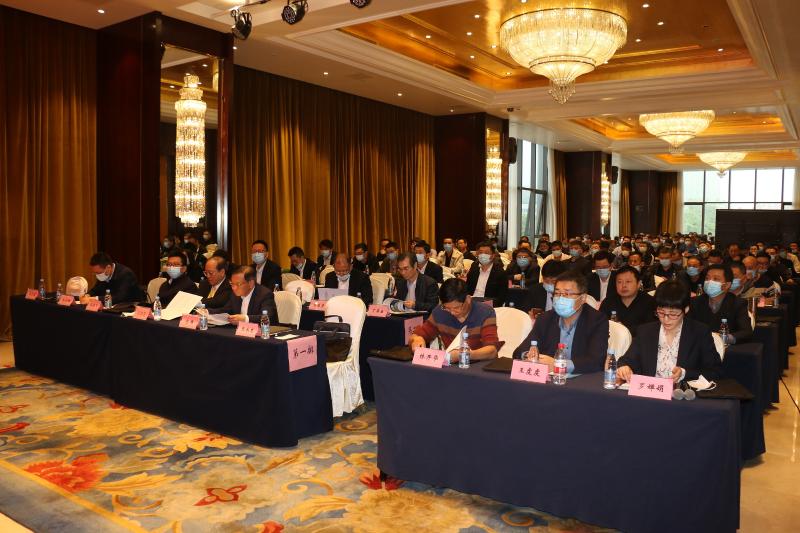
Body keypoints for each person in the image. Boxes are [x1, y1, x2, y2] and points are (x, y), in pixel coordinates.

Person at [617, 279, 723, 383]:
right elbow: (626, 360)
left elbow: (715, 371)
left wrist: (685, 373)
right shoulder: (646, 331)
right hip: (650, 390)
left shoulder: (700, 332)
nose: (666, 319)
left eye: (673, 314)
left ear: (686, 309)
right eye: (661, 312)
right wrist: (625, 367)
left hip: (681, 392)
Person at [512, 270, 609, 374]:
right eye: (557, 293)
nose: (560, 298)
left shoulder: (597, 320)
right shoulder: (545, 318)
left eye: (567, 294)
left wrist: (559, 365)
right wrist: (528, 355)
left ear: (582, 298)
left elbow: (596, 361)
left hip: (581, 379)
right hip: (549, 379)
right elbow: (519, 352)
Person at [409, 278, 500, 364]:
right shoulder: (440, 312)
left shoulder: (485, 312)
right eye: (447, 308)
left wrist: (465, 354)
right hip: (451, 365)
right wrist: (416, 339)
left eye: (456, 308)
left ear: (468, 299)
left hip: (478, 365)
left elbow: (492, 351)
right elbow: (416, 335)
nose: (452, 313)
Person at [688, 264, 752, 344]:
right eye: (707, 278)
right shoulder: (695, 302)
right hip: (700, 345)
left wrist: (724, 338)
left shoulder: (737, 303)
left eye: (716, 279)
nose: (709, 282)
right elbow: (687, 327)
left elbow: (746, 332)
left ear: (727, 285)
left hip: (726, 347)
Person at [599, 266, 657, 336]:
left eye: (628, 282)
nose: (623, 285)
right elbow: (600, 325)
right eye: (619, 282)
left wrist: (624, 329)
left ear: (638, 284)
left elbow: (651, 329)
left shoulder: (650, 302)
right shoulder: (608, 302)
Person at [209, 266, 278, 324]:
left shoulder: (265, 294)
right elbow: (226, 310)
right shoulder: (235, 295)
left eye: (238, 284)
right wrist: (207, 312)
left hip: (265, 332)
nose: (234, 288)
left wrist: (245, 319)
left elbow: (267, 317)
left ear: (251, 283)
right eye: (232, 284)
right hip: (240, 331)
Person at [466, 241, 508, 307]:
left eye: (486, 253)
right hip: (471, 301)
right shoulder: (474, 267)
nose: (483, 255)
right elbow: (467, 287)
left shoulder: (500, 272)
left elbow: (502, 296)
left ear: (493, 255)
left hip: (488, 303)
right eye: (480, 252)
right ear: (477, 254)